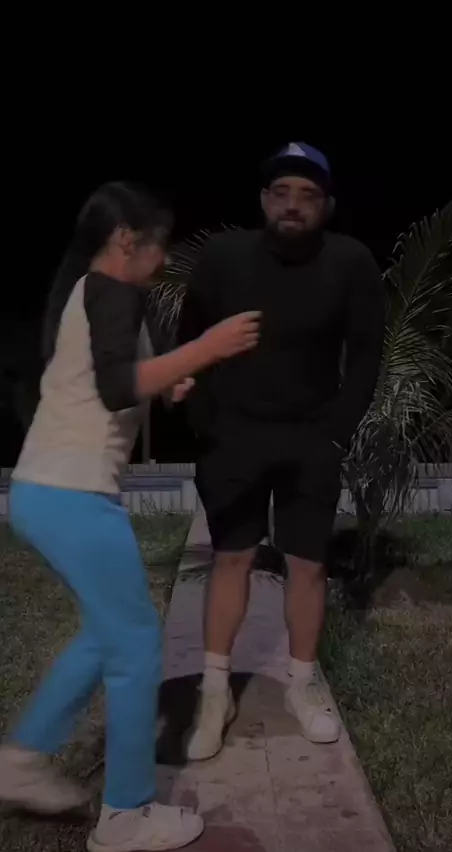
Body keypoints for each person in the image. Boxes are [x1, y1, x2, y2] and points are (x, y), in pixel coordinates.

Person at [0, 181, 260, 852]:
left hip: (48, 492)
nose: (163, 258)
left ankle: (21, 759)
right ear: (126, 240)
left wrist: (170, 379)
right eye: (159, 244)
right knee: (138, 642)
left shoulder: (93, 295)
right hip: (73, 495)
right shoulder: (110, 290)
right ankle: (126, 815)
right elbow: (117, 387)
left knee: (106, 633)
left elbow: (114, 381)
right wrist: (208, 347)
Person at [176, 143, 385, 760]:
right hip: (233, 439)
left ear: (327, 205)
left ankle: (301, 684)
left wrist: (337, 433)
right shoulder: (223, 256)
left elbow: (365, 355)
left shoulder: (350, 261)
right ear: (263, 200)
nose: (293, 205)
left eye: (308, 195)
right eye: (281, 192)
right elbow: (191, 340)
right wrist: (204, 423)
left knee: (308, 566)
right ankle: (215, 692)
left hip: (311, 438)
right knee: (231, 559)